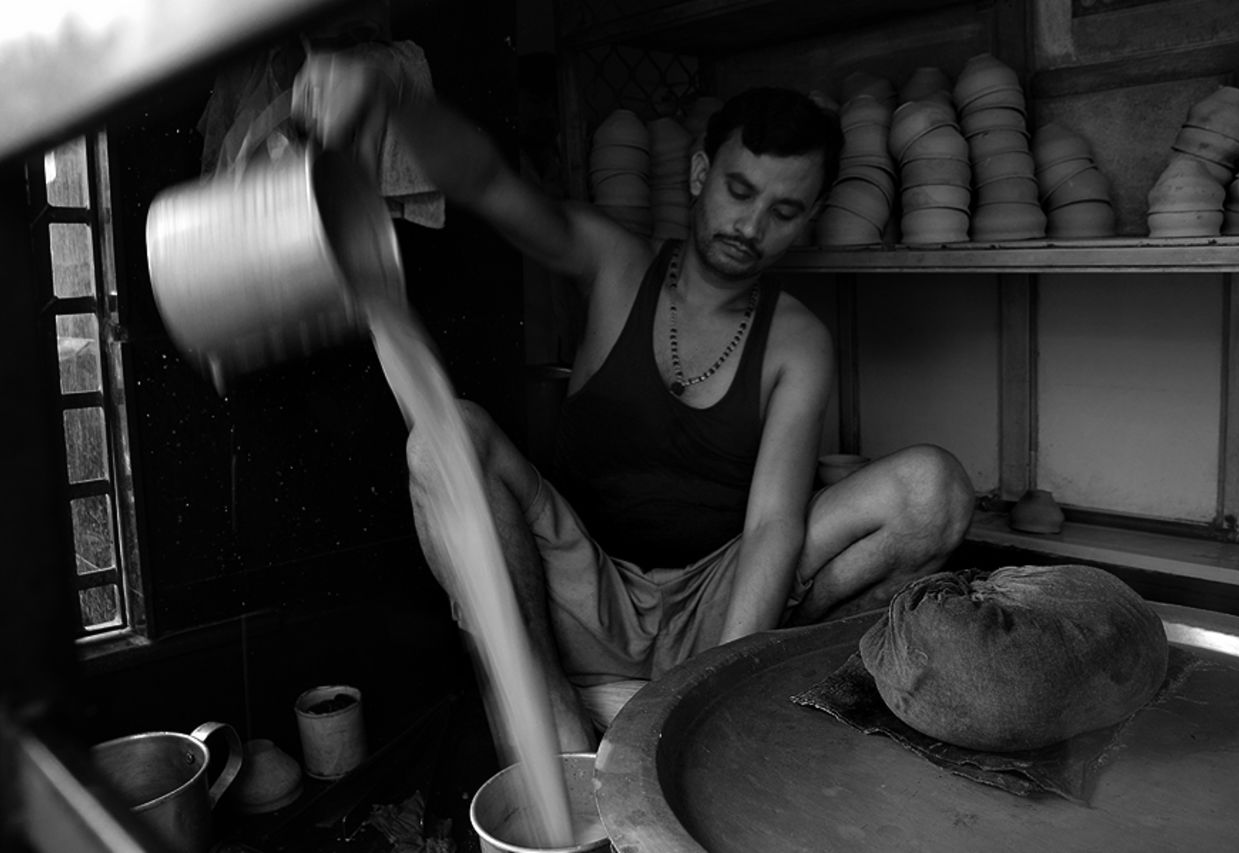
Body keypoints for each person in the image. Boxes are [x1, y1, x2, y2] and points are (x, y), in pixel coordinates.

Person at [292, 55, 975, 753]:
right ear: (701, 172)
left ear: (810, 218)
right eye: (739, 190)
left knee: (933, 489)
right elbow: (488, 182)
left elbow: (774, 524)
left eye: (784, 211)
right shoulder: (614, 263)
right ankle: (552, 711)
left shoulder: (799, 342)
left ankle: (763, 687)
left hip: (715, 598)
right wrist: (392, 106)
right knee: (447, 435)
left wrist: (717, 683)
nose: (750, 225)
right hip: (581, 592)